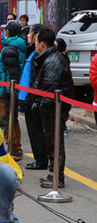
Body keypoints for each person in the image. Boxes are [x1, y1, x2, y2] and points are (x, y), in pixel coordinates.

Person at [31, 28, 73, 188]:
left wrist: (41, 105)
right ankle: (54, 173)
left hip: (54, 108)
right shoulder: (49, 58)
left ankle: (57, 177)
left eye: (36, 42)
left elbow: (51, 89)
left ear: (42, 43)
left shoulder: (53, 61)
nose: (35, 45)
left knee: (55, 142)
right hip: (50, 107)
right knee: (52, 141)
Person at [0, 21, 26, 161]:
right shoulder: (14, 45)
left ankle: (14, 149)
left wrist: (9, 91)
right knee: (12, 119)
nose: (3, 32)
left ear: (8, 32)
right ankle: (15, 147)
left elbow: (12, 73)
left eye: (5, 30)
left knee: (5, 119)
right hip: (10, 89)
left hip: (7, 90)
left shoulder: (10, 49)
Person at [20, 24, 48, 170]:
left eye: (30, 33)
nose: (27, 36)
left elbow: (36, 79)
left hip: (32, 98)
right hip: (28, 96)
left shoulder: (38, 54)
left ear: (36, 35)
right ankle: (39, 158)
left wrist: (32, 97)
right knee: (33, 130)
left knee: (36, 130)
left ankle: (41, 160)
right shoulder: (32, 51)